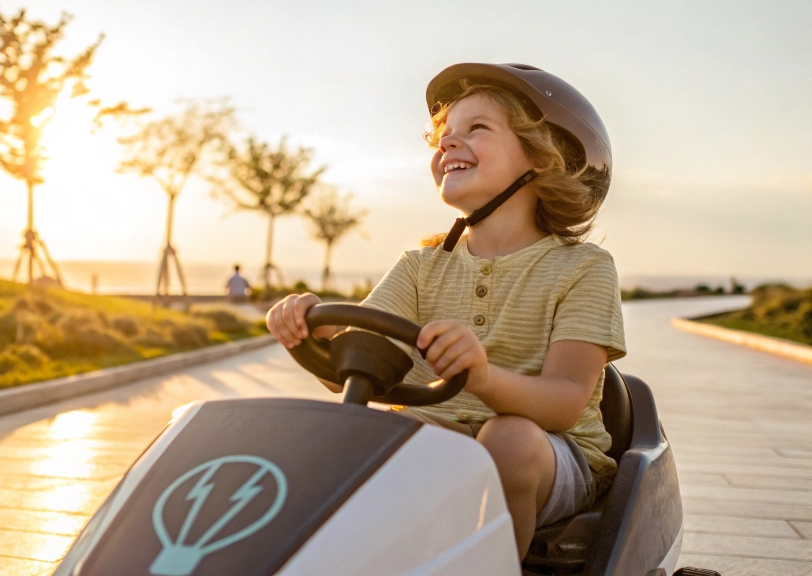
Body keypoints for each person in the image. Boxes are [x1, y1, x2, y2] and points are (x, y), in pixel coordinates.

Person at [265, 63, 625, 559]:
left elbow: (565, 401)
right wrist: (310, 331)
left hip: (551, 458)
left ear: (543, 158)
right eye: (444, 135)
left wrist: (480, 377)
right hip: (441, 443)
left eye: (476, 128)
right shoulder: (420, 267)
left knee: (508, 440)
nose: (448, 144)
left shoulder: (583, 267)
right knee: (347, 442)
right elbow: (354, 375)